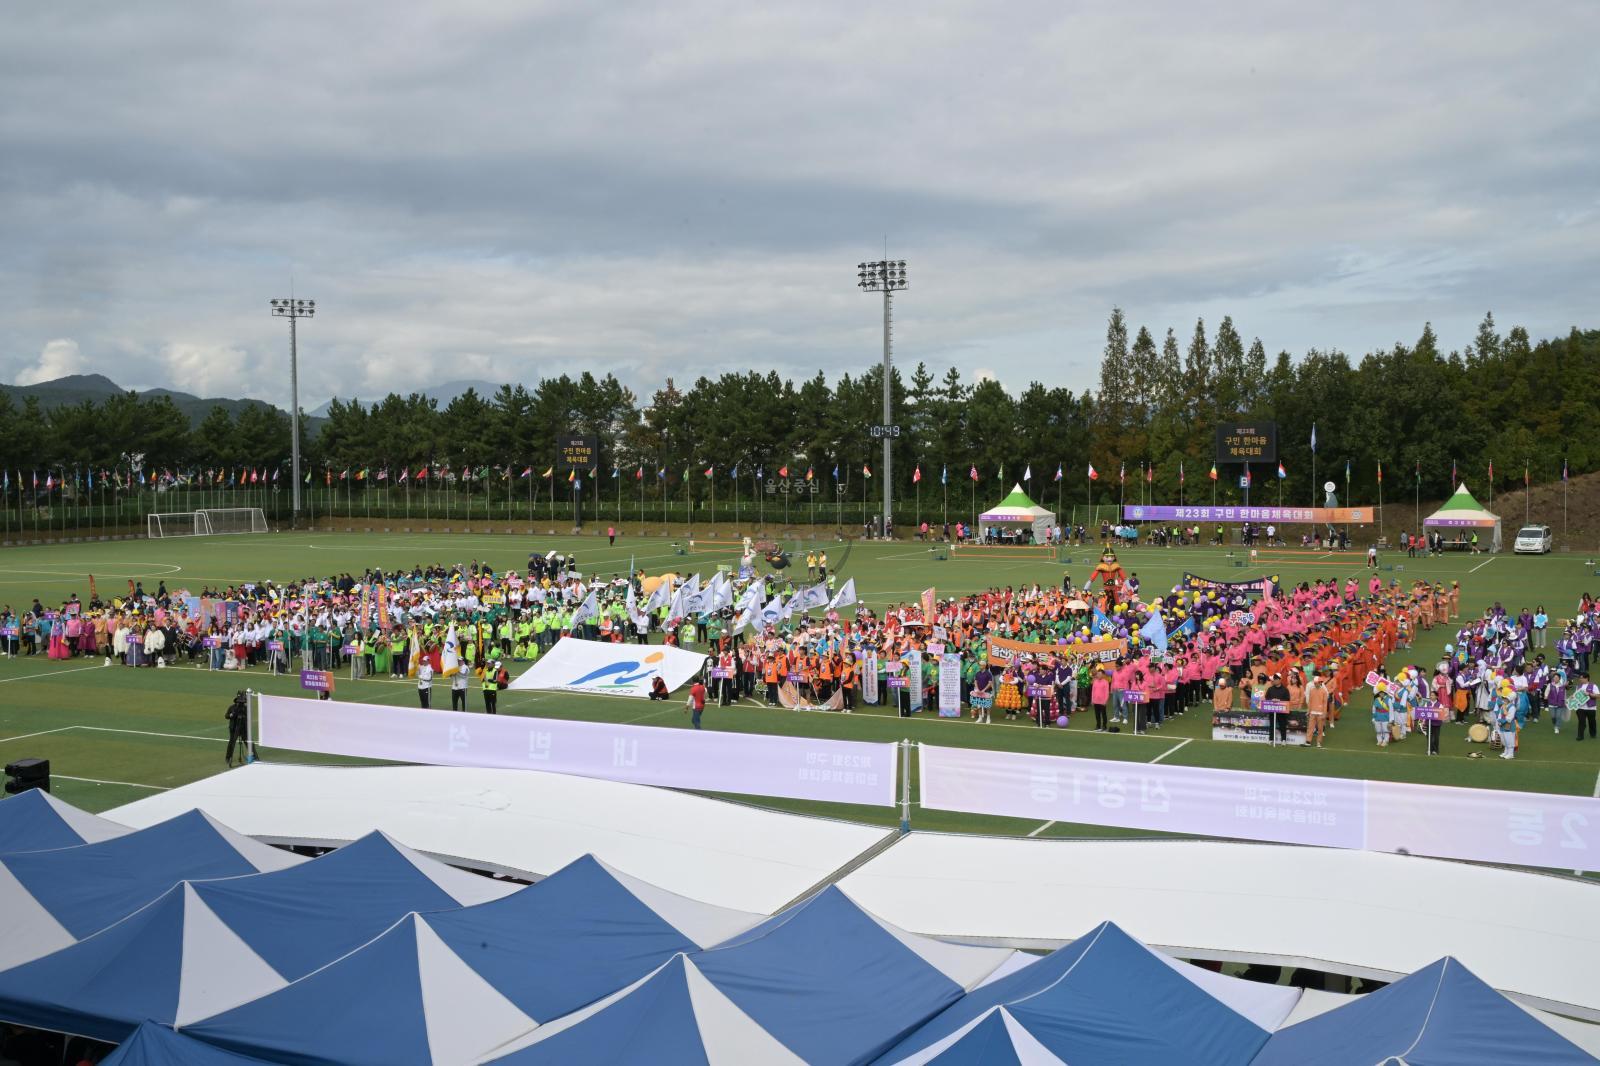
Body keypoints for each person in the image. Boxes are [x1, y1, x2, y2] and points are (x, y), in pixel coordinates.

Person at [224, 690, 251, 767]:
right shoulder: (232, 707)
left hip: (243, 728)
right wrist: (232, 714)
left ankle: (254, 756)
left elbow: (247, 718)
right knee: (231, 742)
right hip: (234, 728)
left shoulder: (245, 708)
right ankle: (228, 758)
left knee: (247, 742)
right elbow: (226, 716)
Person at [1305, 671, 1329, 747]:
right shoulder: (1312, 690)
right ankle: (1308, 741)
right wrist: (1308, 711)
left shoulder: (1324, 692)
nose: (1315, 684)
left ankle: (1319, 742)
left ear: (1320, 683)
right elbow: (1310, 702)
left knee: (1320, 729)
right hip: (1312, 712)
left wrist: (1324, 714)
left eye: (1317, 682)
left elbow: (1325, 703)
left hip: (1320, 713)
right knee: (1310, 728)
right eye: (1315, 683)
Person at [1573, 672, 1599, 742]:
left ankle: (1593, 734)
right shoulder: (1578, 686)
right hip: (1580, 708)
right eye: (1580, 678)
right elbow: (1575, 696)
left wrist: (1589, 694)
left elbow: (1598, 696)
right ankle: (1580, 736)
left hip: (1591, 708)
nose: (1580, 679)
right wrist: (1572, 698)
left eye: (1581, 678)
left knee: (1592, 721)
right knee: (1581, 722)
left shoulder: (1593, 686)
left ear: (1586, 678)